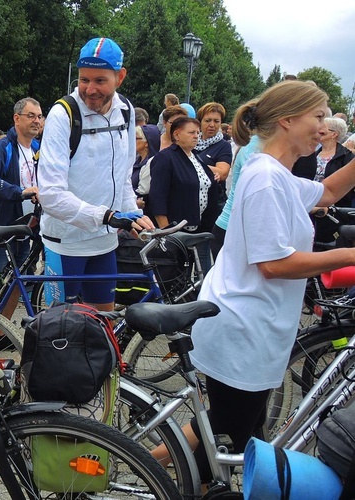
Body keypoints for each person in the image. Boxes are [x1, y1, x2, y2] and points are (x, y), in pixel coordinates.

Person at [187, 80, 355, 482]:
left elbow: (329, 191)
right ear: (287, 119)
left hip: (252, 325)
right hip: (244, 328)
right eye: (317, 115)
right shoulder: (265, 177)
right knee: (228, 435)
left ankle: (134, 461)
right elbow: (274, 264)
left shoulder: (277, 174)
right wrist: (350, 255)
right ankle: (130, 466)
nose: (324, 125)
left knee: (227, 428)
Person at [37, 37, 153, 311]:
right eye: (83, 79)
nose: (90, 89)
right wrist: (107, 216)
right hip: (66, 243)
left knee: (101, 322)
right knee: (58, 330)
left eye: (100, 81)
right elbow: (51, 195)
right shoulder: (62, 114)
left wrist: (133, 216)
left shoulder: (125, 110)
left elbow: (123, 177)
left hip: (105, 241)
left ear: (120, 77)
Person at [0, 97, 42, 324]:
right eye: (31, 116)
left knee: (19, 280)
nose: (37, 121)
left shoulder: (37, 148)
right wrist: (19, 192)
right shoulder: (2, 147)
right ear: (17, 118)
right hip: (0, 229)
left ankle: (2, 332)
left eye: (40, 116)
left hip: (26, 228)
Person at [149, 116, 219, 272]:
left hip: (201, 228)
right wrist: (166, 232)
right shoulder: (166, 157)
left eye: (198, 133)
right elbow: (157, 196)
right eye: (191, 132)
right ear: (177, 135)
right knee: (178, 276)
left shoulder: (196, 158)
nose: (196, 136)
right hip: (177, 230)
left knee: (203, 276)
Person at [312, 116, 355, 242]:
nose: (318, 132)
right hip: (311, 204)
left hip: (333, 211)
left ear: (334, 134)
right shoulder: (310, 154)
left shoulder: (346, 156)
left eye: (322, 131)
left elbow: (348, 186)